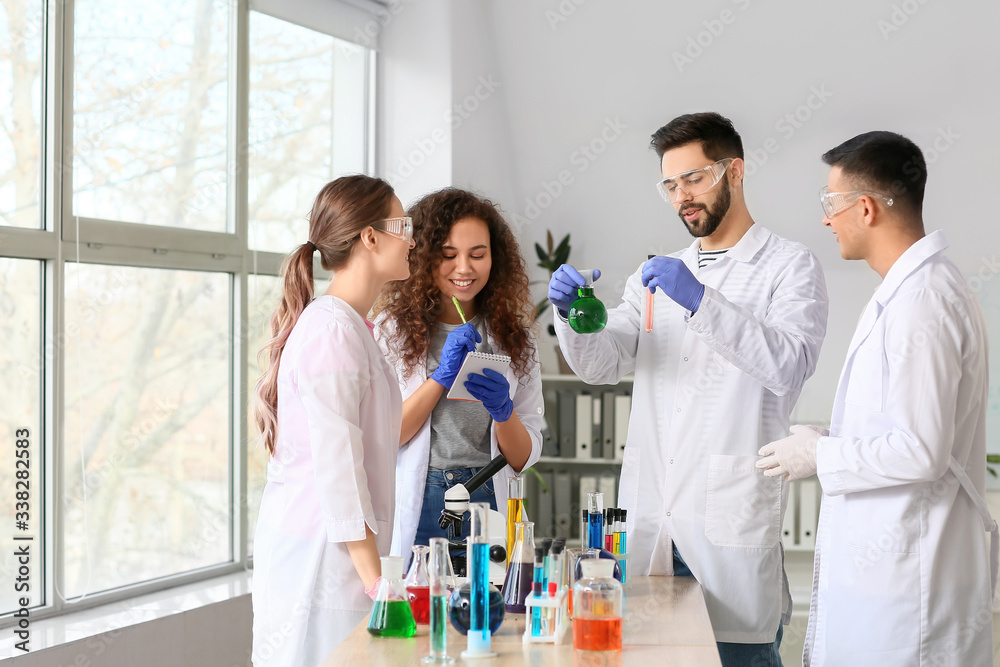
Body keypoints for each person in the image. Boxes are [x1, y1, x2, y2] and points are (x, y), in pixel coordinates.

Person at [549, 112, 828, 666]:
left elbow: (787, 365)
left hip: (728, 525)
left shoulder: (789, 267)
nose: (683, 197)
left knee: (736, 657)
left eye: (695, 179)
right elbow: (603, 364)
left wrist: (702, 301)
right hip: (652, 522)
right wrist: (573, 318)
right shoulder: (656, 273)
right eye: (670, 185)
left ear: (735, 170)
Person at [758, 131, 996, 665]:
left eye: (830, 204)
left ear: (865, 208)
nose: (825, 219)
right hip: (894, 577)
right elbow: (906, 428)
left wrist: (820, 456)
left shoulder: (923, 301)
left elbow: (920, 450)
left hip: (911, 589)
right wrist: (831, 439)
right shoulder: (910, 291)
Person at [250, 175, 413, 666]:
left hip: (340, 554)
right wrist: (377, 583)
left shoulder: (350, 326)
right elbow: (340, 470)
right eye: (402, 226)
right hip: (321, 560)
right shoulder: (332, 332)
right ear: (370, 237)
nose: (412, 239)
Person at [373, 188, 543, 561]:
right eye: (448, 256)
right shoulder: (391, 330)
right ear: (422, 257)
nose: (464, 268)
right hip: (421, 499)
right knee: (422, 611)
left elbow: (522, 457)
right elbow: (387, 435)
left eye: (477, 255)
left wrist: (504, 411)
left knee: (492, 608)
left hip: (487, 495)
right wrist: (441, 377)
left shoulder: (514, 336)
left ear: (495, 259)